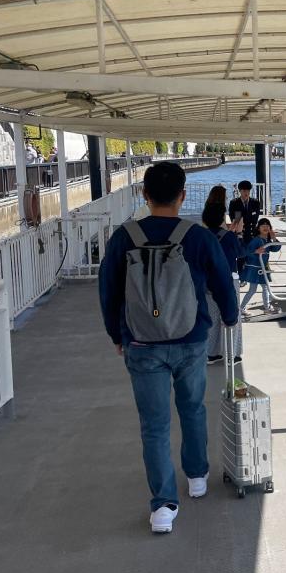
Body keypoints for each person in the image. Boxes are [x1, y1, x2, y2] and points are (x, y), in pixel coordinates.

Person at [98, 162, 238, 535]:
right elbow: (223, 281)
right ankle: (196, 477)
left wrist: (117, 334)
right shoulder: (197, 236)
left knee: (154, 425)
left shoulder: (123, 237)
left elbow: (109, 291)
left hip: (141, 343)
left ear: (144, 195)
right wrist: (229, 317)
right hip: (191, 339)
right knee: (192, 408)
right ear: (182, 195)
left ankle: (163, 506)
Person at [202, 203, 246, 364]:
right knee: (232, 316)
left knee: (212, 317)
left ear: (204, 220)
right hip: (228, 279)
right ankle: (231, 355)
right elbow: (240, 253)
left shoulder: (200, 235)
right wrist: (238, 232)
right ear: (222, 219)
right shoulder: (228, 236)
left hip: (207, 282)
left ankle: (211, 354)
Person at [241, 217, 281, 319]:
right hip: (255, 269)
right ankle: (242, 308)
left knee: (263, 288)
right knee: (254, 289)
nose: (265, 227)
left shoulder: (267, 240)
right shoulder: (256, 240)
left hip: (262, 268)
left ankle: (266, 307)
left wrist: (274, 238)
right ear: (258, 228)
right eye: (263, 226)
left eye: (267, 226)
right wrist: (255, 251)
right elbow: (246, 251)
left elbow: (276, 248)